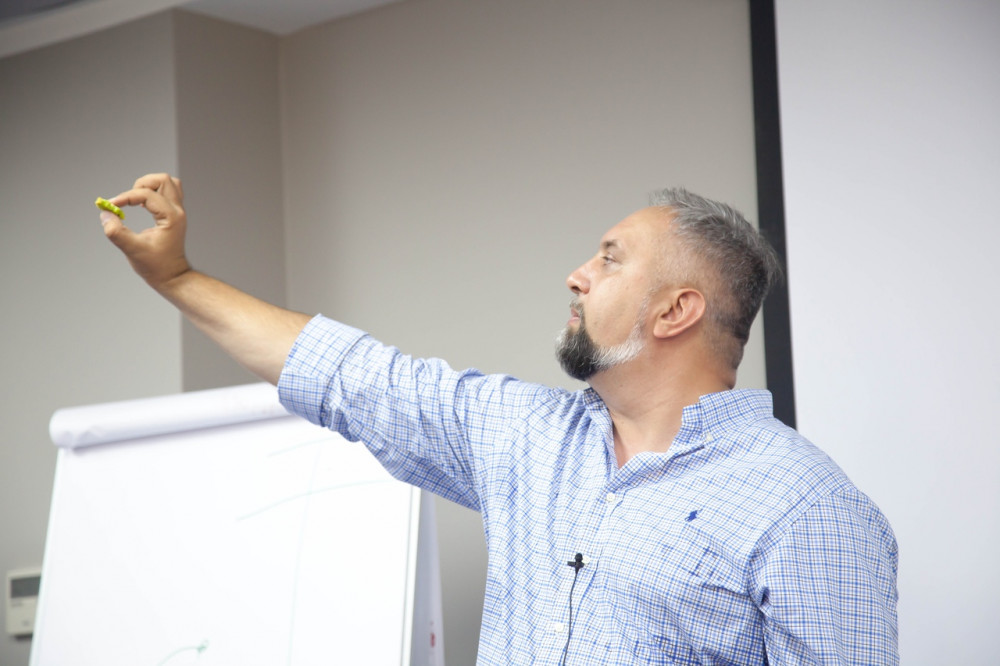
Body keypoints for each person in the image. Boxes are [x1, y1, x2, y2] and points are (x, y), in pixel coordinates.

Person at [99, 173, 898, 665]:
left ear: (674, 311)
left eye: (610, 258)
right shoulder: (531, 440)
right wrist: (177, 277)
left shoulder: (808, 511)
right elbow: (349, 375)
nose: (577, 275)